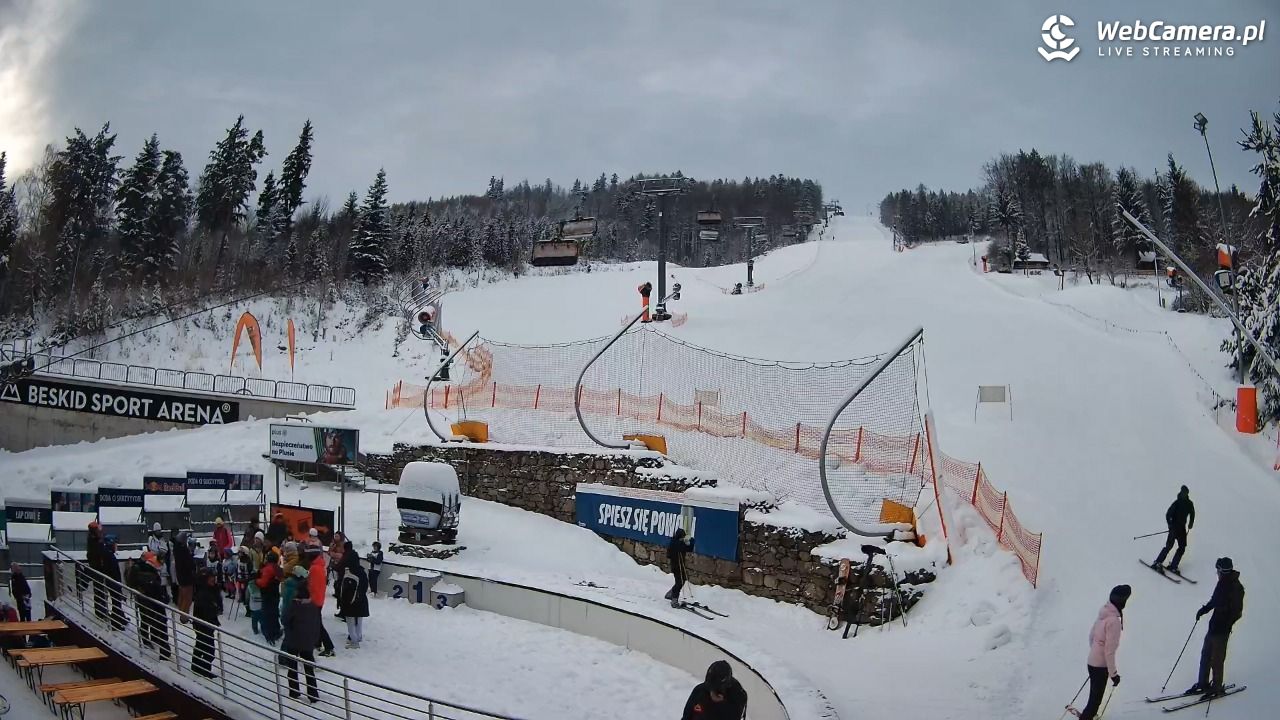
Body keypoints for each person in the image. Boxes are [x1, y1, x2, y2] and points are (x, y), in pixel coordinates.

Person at [1187, 557, 1244, 697]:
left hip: (1221, 630)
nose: (1217, 573)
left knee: (1217, 660)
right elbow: (1215, 600)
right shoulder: (1221, 583)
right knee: (1205, 656)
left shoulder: (1236, 588)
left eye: (1218, 570)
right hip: (1213, 626)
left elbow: (1237, 612)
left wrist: (1226, 623)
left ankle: (1217, 688)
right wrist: (1204, 610)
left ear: (1222, 571)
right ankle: (1202, 684)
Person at [1079, 584, 1130, 720]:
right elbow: (1109, 651)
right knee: (1095, 701)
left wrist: (1095, 654)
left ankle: (1088, 715)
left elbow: (1091, 636)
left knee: (1093, 697)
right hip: (1100, 666)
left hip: (1092, 662)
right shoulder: (1114, 622)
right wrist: (1114, 674)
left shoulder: (1104, 613)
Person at [280, 566, 321, 703]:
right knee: (309, 669)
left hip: (293, 640)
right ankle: (313, 694)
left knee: (292, 667)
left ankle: (294, 691)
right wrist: (315, 639)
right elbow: (317, 624)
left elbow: (285, 620)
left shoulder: (294, 606)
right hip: (308, 642)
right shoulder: (313, 606)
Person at [125, 552, 171, 659]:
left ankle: (148, 639)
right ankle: (160, 647)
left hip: (143, 600)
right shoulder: (149, 575)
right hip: (153, 603)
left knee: (145, 619)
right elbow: (158, 591)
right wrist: (165, 598)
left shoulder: (139, 571)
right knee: (157, 622)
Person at [681, 660, 748, 719]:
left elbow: (734, 716)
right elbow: (687, 715)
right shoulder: (700, 691)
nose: (712, 691)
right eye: (710, 686)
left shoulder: (737, 696)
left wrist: (721, 704)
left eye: (714, 688)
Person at [1153, 486, 1195, 574]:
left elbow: (1192, 513)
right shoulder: (1176, 503)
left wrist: (1191, 523)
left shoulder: (1189, 503)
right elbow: (1168, 514)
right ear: (1181, 492)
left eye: (1186, 493)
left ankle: (1173, 566)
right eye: (1183, 492)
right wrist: (1170, 525)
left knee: (1182, 547)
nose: (1184, 494)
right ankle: (1157, 562)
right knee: (1169, 546)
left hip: (1182, 529)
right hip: (1174, 527)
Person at [191, 567, 223, 679]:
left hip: (206, 624)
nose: (213, 579)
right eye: (211, 577)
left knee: (200, 645)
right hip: (203, 624)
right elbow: (208, 610)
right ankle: (204, 669)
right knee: (208, 649)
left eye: (214, 577)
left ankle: (196, 666)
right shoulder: (203, 593)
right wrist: (215, 610)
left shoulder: (211, 590)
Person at [304, 545, 336, 657]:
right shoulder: (320, 566)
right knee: (316, 623)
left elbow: (312, 586)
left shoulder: (314, 568)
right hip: (319, 599)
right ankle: (317, 643)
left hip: (314, 600)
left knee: (318, 625)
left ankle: (329, 647)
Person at [337, 550, 369, 649]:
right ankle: (358, 637)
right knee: (359, 621)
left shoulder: (348, 573)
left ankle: (354, 641)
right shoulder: (362, 572)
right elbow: (365, 586)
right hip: (362, 600)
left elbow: (344, 590)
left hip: (350, 603)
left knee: (350, 623)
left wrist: (342, 601)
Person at [101, 536, 128, 631]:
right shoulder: (109, 555)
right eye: (115, 544)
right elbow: (113, 571)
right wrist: (117, 583)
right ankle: (116, 623)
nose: (116, 546)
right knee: (116, 602)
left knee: (117, 601)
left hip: (113, 581)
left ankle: (121, 618)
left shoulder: (108, 554)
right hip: (113, 582)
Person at [256, 550, 283, 645]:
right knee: (274, 613)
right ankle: (276, 631)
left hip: (267, 594)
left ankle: (269, 635)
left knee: (267, 614)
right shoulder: (278, 568)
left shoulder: (268, 569)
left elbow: (263, 583)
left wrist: (256, 580)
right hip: (275, 593)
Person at [665, 528, 695, 608]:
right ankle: (674, 598)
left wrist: (691, 541)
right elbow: (680, 548)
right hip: (676, 566)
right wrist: (686, 542)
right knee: (679, 582)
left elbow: (689, 548)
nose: (683, 539)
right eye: (682, 537)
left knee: (683, 580)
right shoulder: (674, 543)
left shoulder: (679, 542)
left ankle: (671, 593)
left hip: (681, 565)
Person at [174, 531, 196, 621]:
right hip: (187, 577)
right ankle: (184, 617)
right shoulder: (183, 551)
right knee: (187, 599)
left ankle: (181, 612)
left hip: (180, 577)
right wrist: (191, 554)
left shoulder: (176, 549)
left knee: (182, 596)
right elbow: (189, 564)